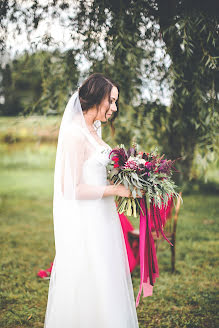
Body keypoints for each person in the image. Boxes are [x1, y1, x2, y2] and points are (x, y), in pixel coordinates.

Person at [43, 73, 139, 328]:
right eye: (112, 101)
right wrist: (115, 190)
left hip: (102, 216)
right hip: (87, 220)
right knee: (89, 277)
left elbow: (93, 174)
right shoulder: (75, 133)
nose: (115, 108)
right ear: (97, 97)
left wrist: (130, 175)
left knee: (105, 278)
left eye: (116, 102)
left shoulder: (93, 129)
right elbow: (71, 188)